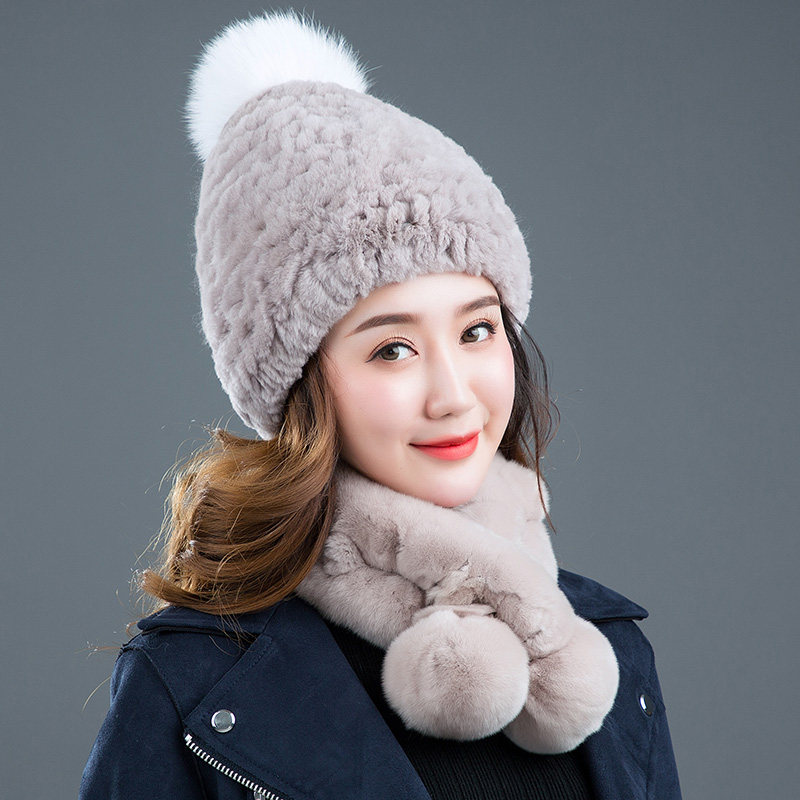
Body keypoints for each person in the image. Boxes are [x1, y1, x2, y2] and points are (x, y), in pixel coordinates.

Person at [80, 10, 681, 800]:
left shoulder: (608, 652)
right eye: (392, 348)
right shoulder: (195, 682)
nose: (454, 395)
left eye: (477, 330)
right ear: (297, 385)